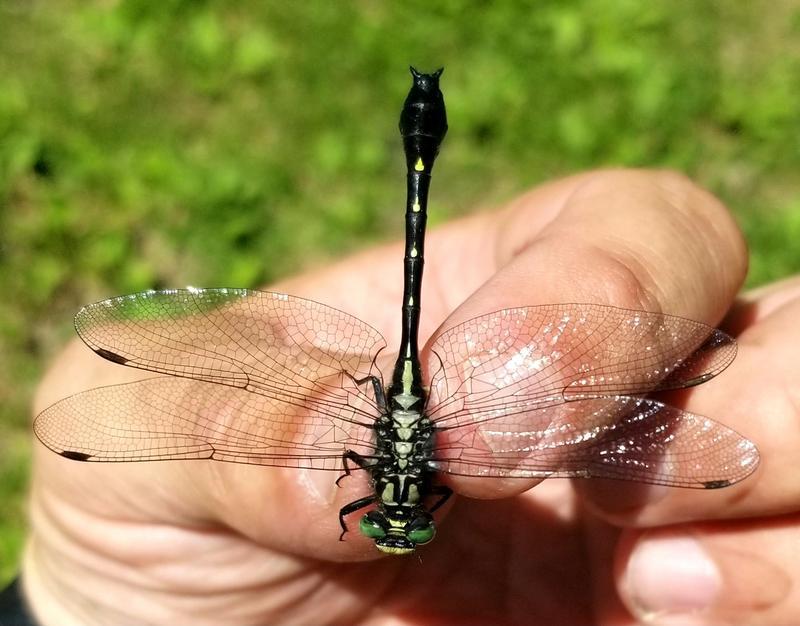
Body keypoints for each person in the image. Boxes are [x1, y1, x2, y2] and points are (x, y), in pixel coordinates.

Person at [15, 169, 796, 625]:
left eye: (392, 519)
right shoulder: (425, 482)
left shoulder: (397, 483)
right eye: (402, 520)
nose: (390, 520)